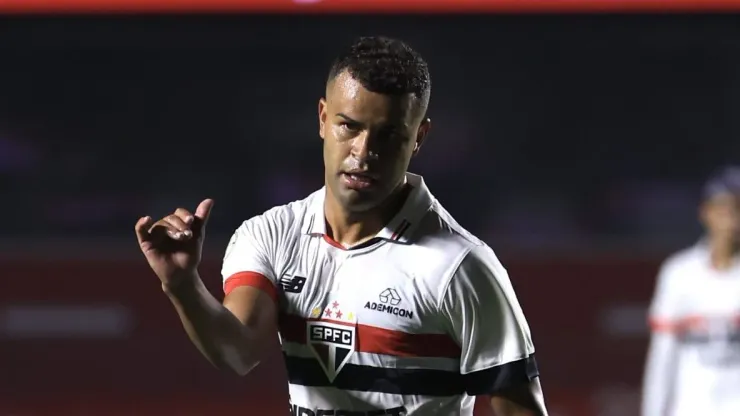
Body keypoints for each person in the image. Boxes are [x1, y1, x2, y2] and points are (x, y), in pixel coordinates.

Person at [135, 36, 547, 416]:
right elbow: (238, 352)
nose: (363, 152)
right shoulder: (271, 236)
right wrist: (182, 284)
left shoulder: (462, 266)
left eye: (388, 135)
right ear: (322, 118)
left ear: (418, 137)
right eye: (349, 125)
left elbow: (520, 408)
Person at [642, 166, 740, 416]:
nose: (730, 219)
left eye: (737, 209)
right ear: (705, 212)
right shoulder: (679, 273)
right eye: (723, 209)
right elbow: (662, 357)